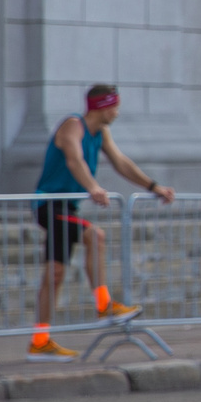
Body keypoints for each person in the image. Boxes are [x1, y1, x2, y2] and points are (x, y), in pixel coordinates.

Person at [28, 86, 170, 360]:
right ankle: (104, 305)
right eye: (115, 107)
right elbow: (74, 159)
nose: (117, 112)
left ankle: (40, 341)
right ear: (103, 107)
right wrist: (93, 187)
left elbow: (121, 162)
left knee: (54, 275)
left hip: (66, 206)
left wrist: (154, 187)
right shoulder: (73, 126)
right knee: (95, 236)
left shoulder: (101, 133)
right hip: (49, 204)